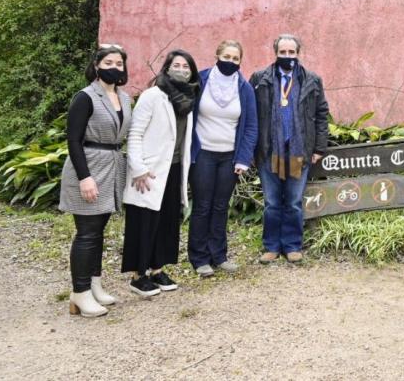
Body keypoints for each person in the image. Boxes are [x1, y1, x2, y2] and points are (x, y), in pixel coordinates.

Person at [59, 44, 132, 317]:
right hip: (89, 166)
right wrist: (84, 177)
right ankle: (79, 293)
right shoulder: (85, 97)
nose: (114, 67)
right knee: (87, 232)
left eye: (119, 64)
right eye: (109, 63)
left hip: (112, 165)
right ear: (97, 65)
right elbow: (73, 140)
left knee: (98, 230)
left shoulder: (124, 98)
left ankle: (94, 284)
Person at [121, 50, 199, 296]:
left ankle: (157, 269)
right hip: (149, 171)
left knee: (166, 221)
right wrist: (138, 168)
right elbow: (134, 133)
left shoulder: (188, 99)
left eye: (186, 67)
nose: (182, 70)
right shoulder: (152, 96)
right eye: (176, 65)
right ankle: (137, 275)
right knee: (143, 221)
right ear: (166, 68)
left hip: (174, 168)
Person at [251, 34, 329, 264]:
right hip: (269, 151)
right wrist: (252, 150)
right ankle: (272, 246)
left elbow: (321, 114)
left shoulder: (311, 80)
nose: (287, 57)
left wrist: (319, 147)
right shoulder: (259, 79)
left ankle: (293, 245)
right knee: (272, 202)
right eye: (283, 52)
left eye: (291, 53)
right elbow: (251, 116)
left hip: (297, 151)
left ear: (298, 53)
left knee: (293, 202)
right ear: (276, 53)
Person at [188, 40, 258, 277]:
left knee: (220, 207)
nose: (230, 61)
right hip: (203, 154)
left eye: (235, 58)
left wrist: (243, 158)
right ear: (217, 55)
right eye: (226, 56)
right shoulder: (201, 80)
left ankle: (219, 255)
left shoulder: (244, 88)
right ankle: (199, 258)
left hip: (229, 157)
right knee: (202, 206)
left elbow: (250, 126)